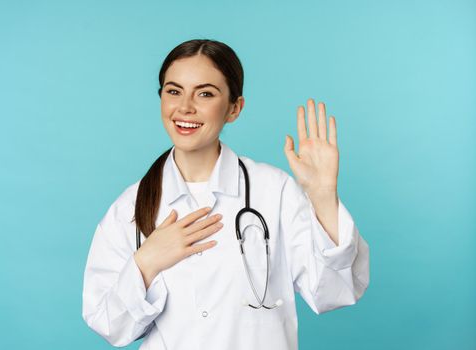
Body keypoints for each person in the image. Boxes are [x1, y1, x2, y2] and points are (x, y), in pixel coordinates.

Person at [82, 39, 370, 350]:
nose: (185, 107)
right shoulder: (131, 206)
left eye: (205, 93)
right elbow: (110, 326)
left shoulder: (274, 190)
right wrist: (147, 262)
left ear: (234, 108)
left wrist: (324, 196)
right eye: (173, 91)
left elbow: (333, 292)